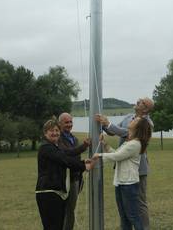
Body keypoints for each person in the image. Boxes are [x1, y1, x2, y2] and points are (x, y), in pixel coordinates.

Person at [95, 97, 155, 229]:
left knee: (139, 204)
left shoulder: (147, 123)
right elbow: (113, 131)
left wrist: (109, 124)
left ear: (146, 109)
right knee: (124, 210)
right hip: (123, 165)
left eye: (142, 102)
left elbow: (126, 133)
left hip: (138, 170)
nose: (138, 100)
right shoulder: (129, 117)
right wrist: (104, 125)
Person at [35, 118, 90, 230]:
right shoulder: (46, 148)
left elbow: (68, 153)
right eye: (51, 131)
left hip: (56, 193)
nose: (55, 133)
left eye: (56, 130)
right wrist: (83, 166)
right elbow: (64, 159)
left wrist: (84, 148)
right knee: (53, 226)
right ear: (45, 133)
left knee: (58, 226)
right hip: (48, 193)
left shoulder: (54, 147)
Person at [57, 112, 91, 230]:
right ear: (60, 124)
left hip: (76, 178)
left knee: (70, 209)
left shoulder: (74, 138)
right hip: (66, 179)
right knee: (68, 210)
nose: (69, 124)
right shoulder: (58, 139)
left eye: (71, 122)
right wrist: (84, 146)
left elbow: (76, 157)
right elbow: (67, 153)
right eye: (66, 122)